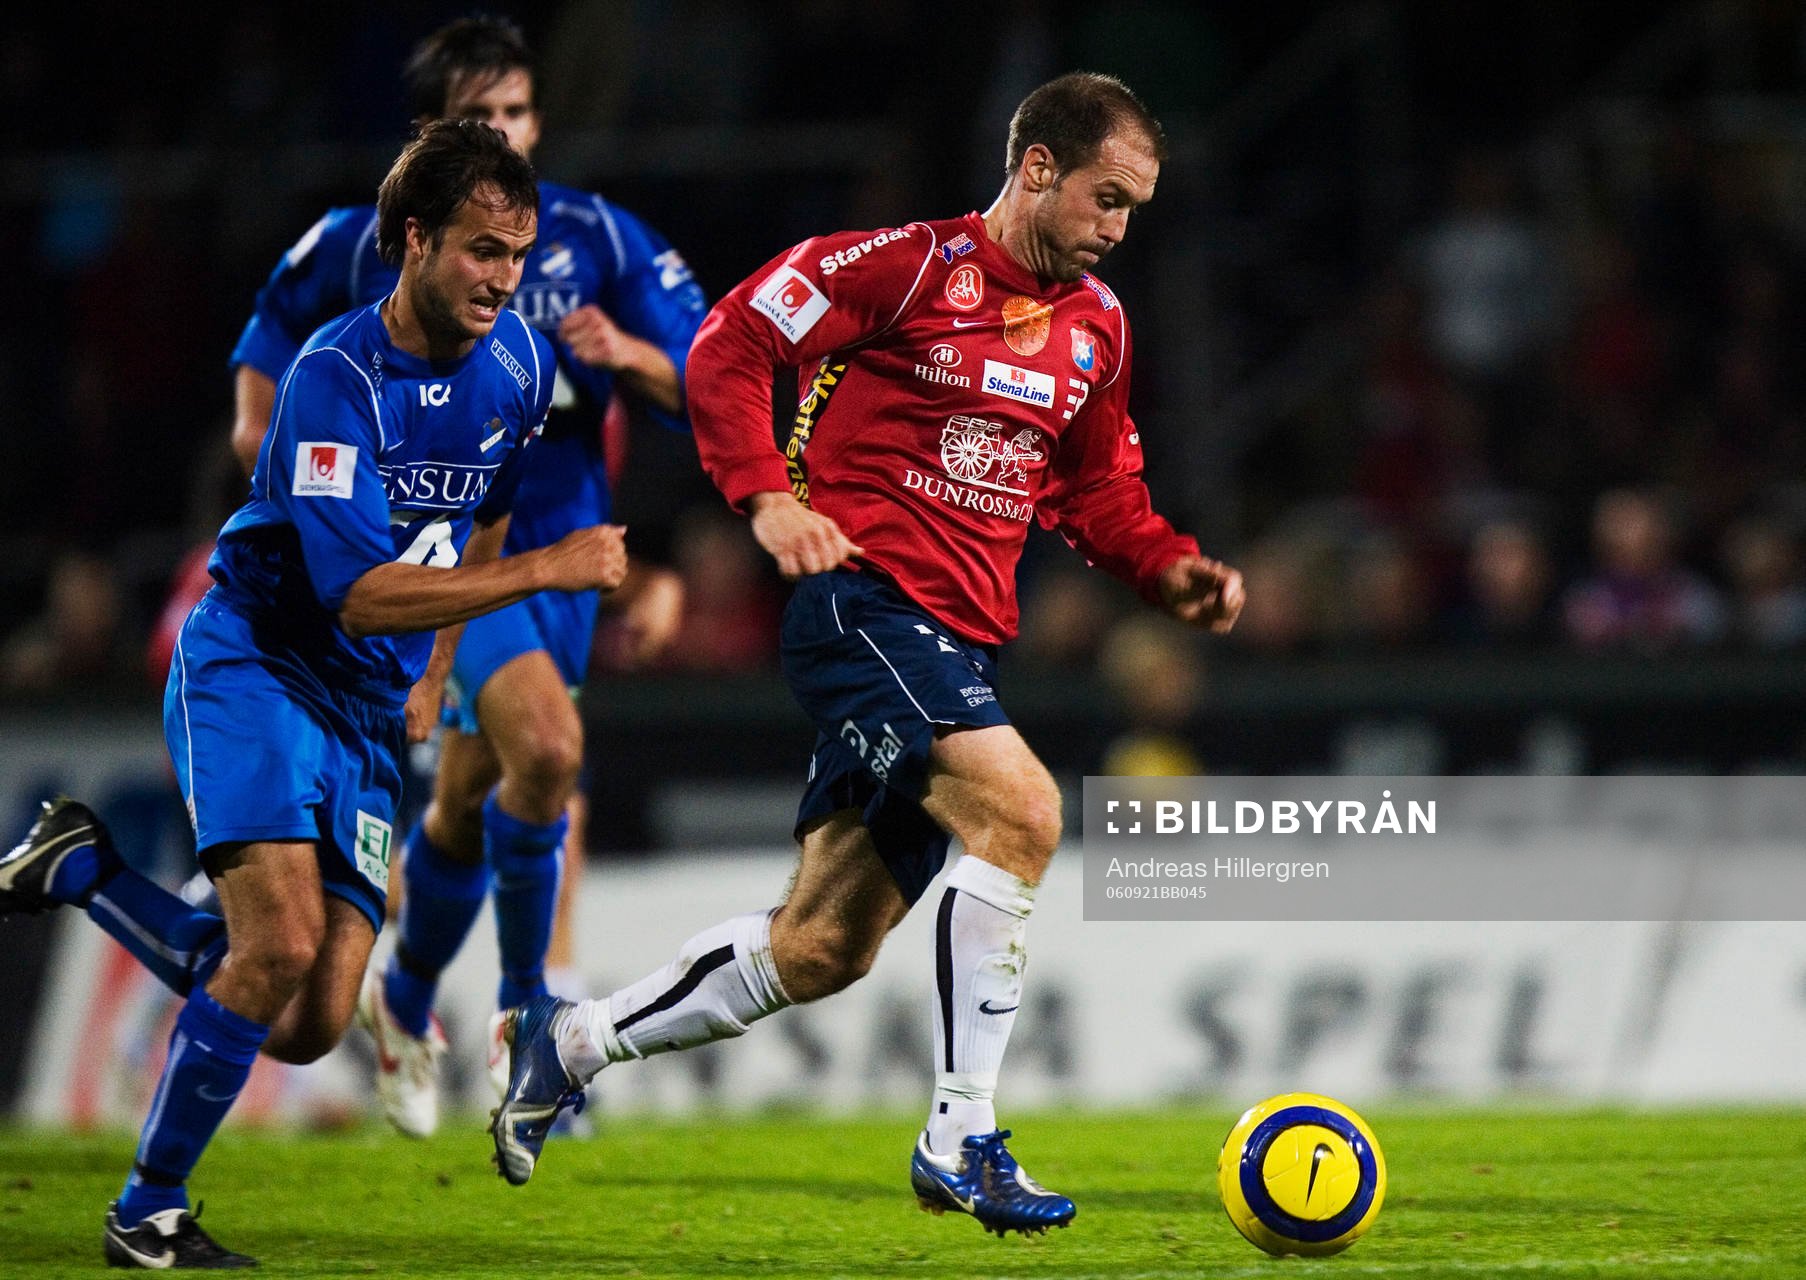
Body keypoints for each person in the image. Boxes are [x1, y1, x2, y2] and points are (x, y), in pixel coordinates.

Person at [491, 72, 1246, 1236]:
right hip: (861, 608)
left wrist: (1170, 568)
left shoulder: (1099, 327)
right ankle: (963, 1134)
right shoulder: (903, 267)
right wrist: (764, 500)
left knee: (822, 945)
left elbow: (1100, 492)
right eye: (1107, 197)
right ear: (1037, 168)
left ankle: (572, 1039)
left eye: (1135, 208)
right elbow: (727, 346)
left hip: (957, 641)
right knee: (1026, 812)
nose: (1118, 228)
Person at [0, 119, 627, 1268]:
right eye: (482, 250)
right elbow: (353, 593)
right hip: (260, 662)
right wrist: (548, 567)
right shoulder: (335, 379)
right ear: (414, 240)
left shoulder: (522, 365)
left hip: (368, 703)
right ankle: (147, 1212)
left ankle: (80, 866)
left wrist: (440, 668)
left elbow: (487, 499)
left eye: (518, 255)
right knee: (279, 939)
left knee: (310, 1017)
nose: (503, 279)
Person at [229, 15, 706, 1138]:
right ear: (434, 134)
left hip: (561, 560)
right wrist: (296, 489)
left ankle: (401, 998)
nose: (504, 133)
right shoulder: (362, 244)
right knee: (549, 750)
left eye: (517, 113)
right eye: (477, 116)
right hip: (438, 562)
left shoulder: (592, 238)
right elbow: (263, 363)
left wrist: (626, 356)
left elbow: (706, 382)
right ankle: (525, 1018)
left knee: (471, 799)